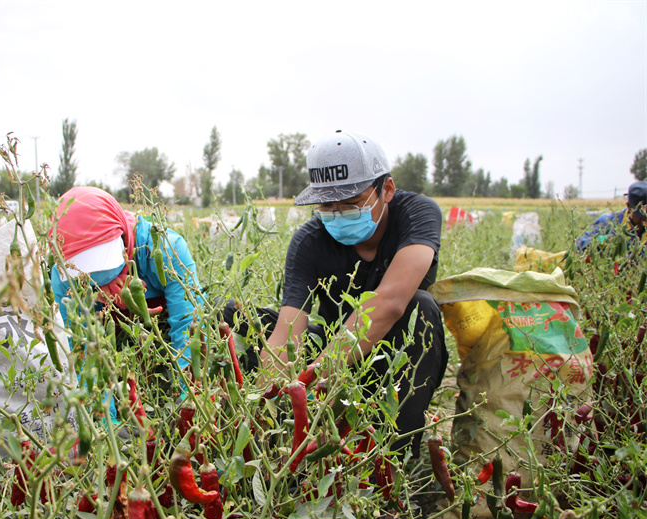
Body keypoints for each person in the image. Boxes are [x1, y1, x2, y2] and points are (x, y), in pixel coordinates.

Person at [224, 130, 448, 457]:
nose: (338, 213)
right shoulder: (310, 241)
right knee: (236, 316)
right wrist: (262, 397)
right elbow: (289, 330)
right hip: (329, 344)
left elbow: (389, 304)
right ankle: (271, 432)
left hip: (391, 357)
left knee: (422, 308)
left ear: (386, 189)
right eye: (327, 204)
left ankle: (396, 457)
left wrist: (312, 376)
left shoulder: (415, 214)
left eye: (351, 203)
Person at [50, 186, 204, 418]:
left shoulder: (164, 250)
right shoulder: (63, 280)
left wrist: (190, 405)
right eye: (84, 271)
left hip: (161, 346)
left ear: (122, 237)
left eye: (101, 262)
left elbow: (188, 332)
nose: (94, 278)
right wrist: (102, 414)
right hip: (115, 359)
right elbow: (80, 351)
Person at [575, 181, 647, 252]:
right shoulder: (608, 222)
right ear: (629, 206)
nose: (645, 219)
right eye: (641, 215)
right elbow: (580, 245)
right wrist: (603, 239)